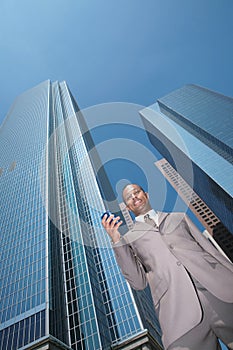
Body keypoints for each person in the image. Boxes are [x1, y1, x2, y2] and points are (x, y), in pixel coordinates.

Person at [101, 183, 233, 350]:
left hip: (221, 294)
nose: (134, 197)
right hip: (178, 314)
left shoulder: (178, 216)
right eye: (129, 197)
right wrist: (116, 240)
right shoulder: (130, 238)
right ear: (127, 207)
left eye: (137, 192)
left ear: (146, 195)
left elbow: (211, 251)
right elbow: (138, 282)